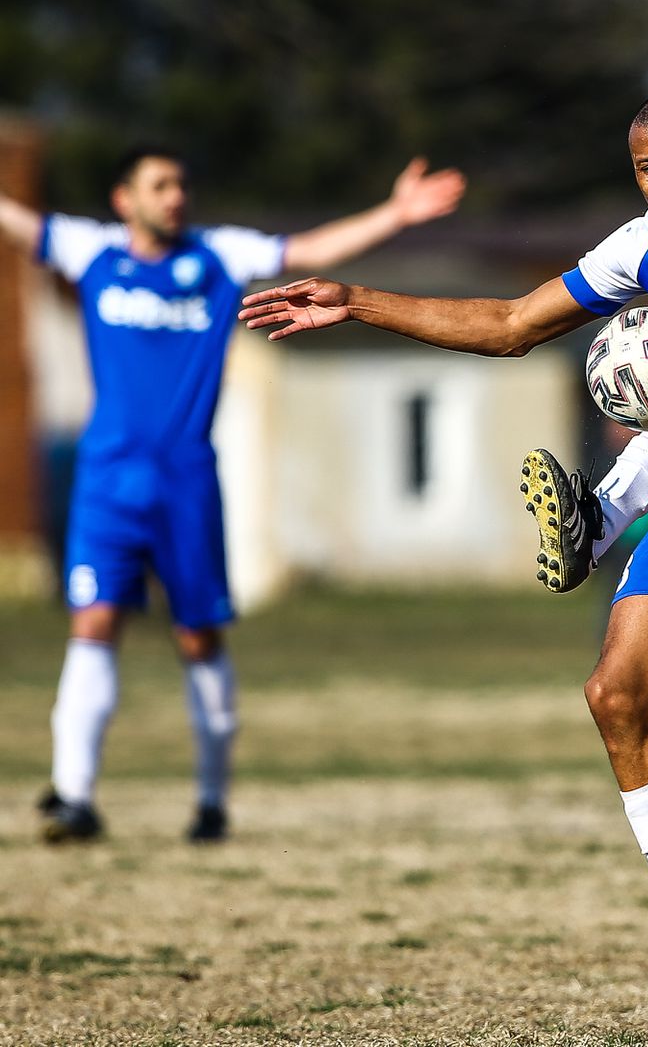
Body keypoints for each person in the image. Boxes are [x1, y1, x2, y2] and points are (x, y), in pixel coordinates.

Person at [239, 88, 648, 1036]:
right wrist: (356, 301)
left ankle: (605, 513)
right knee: (617, 697)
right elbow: (510, 323)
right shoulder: (639, 249)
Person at [0, 147, 465, 845]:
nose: (175, 195)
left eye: (182, 181)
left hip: (186, 481)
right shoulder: (91, 251)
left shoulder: (219, 255)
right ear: (124, 200)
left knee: (198, 636)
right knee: (92, 624)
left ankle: (212, 802)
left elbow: (307, 249)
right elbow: (22, 225)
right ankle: (74, 795)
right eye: (159, 184)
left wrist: (394, 214)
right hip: (107, 481)